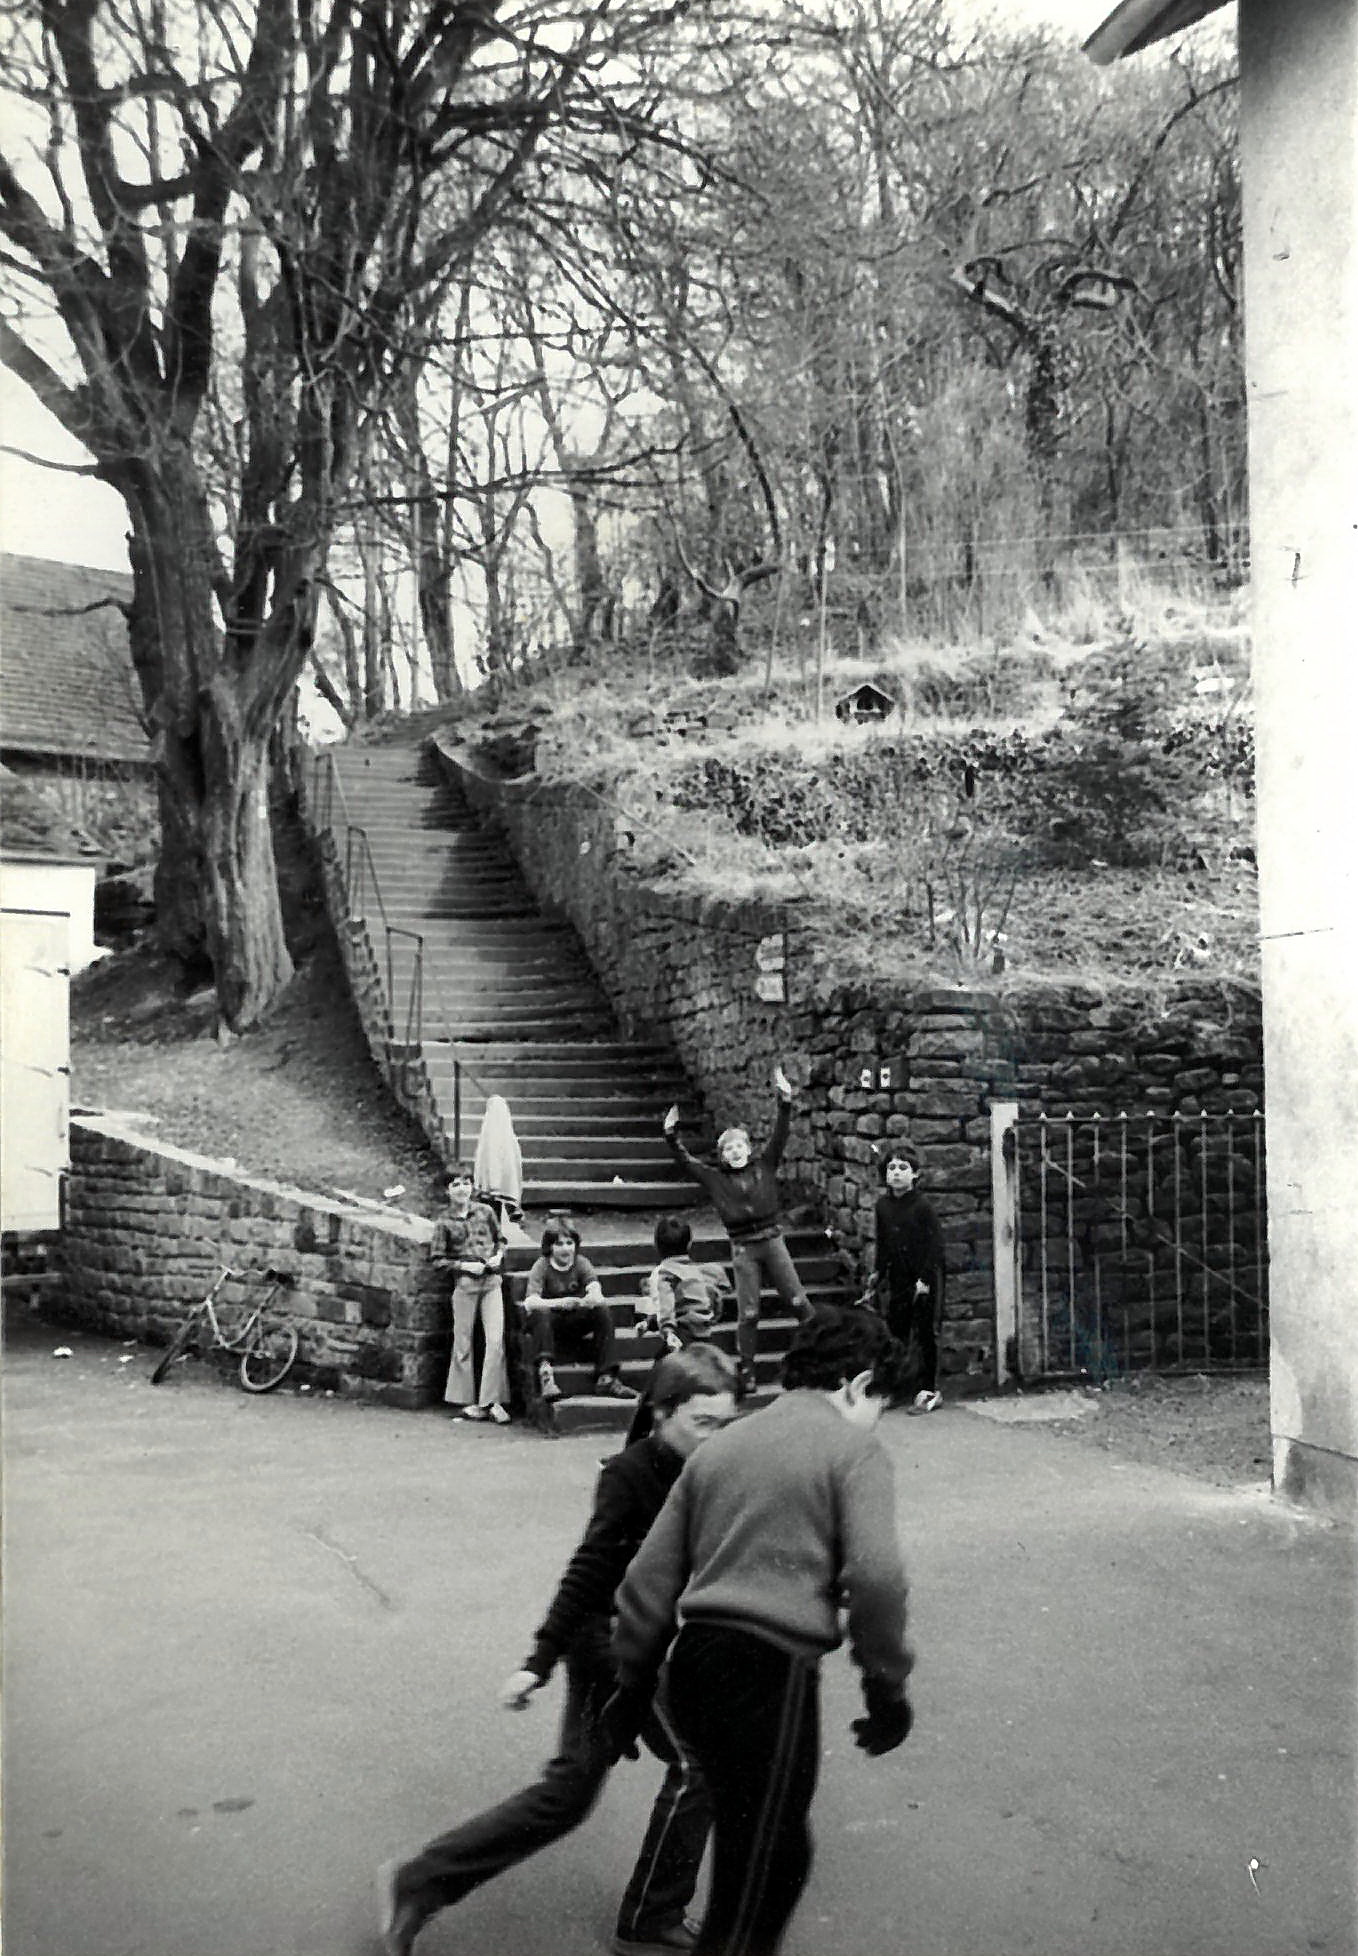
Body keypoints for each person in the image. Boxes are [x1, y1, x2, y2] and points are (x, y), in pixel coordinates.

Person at [377, 1344, 742, 1956]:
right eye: (702, 1423)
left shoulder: (709, 1472)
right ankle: (651, 1916)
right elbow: (589, 1571)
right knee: (699, 1768)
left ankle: (417, 1880)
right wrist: (537, 1662)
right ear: (662, 1412)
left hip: (651, 1644)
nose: (715, 1437)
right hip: (616, 1649)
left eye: (724, 1424)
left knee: (568, 1797)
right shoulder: (629, 1477)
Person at [608, 1308, 916, 1956]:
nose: (874, 1421)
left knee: (767, 1847)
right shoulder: (853, 1449)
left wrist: (631, 1688)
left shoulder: (721, 1447)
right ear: (857, 1386)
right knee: (760, 1873)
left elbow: (645, 1580)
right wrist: (886, 1688)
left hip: (695, 1665)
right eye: (878, 1405)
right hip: (768, 1675)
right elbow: (880, 1578)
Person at [661, 1065, 810, 1396]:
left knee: (798, 1301)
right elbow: (686, 1162)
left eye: (739, 1146)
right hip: (743, 1246)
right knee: (750, 1312)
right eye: (728, 1149)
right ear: (722, 1155)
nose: (735, 1152)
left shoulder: (765, 1165)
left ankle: (820, 1355)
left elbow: (780, 1134)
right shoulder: (715, 1179)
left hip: (772, 1239)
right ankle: (748, 1368)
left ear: (749, 1148)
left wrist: (785, 1100)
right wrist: (671, 1136)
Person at [625, 1218, 732, 1446]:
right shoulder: (700, 1272)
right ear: (690, 1243)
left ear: (656, 1245)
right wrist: (650, 1323)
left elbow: (667, 1303)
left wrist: (666, 1329)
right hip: (703, 1336)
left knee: (651, 1395)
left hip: (680, 1336)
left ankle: (632, 1448)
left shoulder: (665, 1273)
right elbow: (709, 1301)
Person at [520, 1215, 638, 1403]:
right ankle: (546, 1376)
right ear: (550, 1246)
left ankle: (606, 1376)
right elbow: (530, 1302)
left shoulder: (581, 1263)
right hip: (550, 1326)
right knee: (540, 1314)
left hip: (575, 1320)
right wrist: (560, 1303)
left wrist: (589, 1299)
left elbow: (596, 1292)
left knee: (603, 1311)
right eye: (559, 1244)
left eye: (569, 1243)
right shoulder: (541, 1266)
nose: (565, 1248)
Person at [432, 1167, 510, 1425]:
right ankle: (465, 1401)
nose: (462, 1188)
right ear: (448, 1191)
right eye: (456, 1184)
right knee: (462, 1340)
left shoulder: (485, 1212)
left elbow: (501, 1239)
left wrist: (498, 1255)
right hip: (465, 1283)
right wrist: (464, 1266)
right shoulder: (443, 1222)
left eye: (466, 1183)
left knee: (495, 1340)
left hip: (491, 1281)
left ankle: (491, 1400)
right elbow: (438, 1260)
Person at [873, 1143, 946, 1413]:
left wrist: (925, 1279)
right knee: (896, 1333)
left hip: (923, 1278)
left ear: (915, 1175)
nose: (896, 1173)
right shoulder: (882, 1206)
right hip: (898, 1279)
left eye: (903, 1168)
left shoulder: (922, 1206)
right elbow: (883, 1243)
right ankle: (895, 1388)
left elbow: (935, 1245)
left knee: (925, 1333)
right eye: (891, 1168)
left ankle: (928, 1390)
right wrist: (878, 1273)